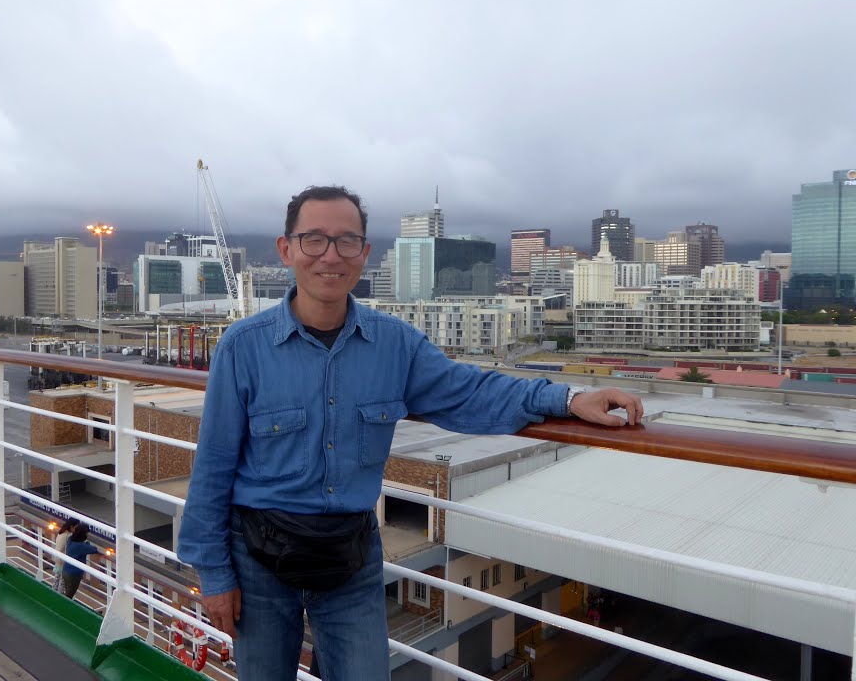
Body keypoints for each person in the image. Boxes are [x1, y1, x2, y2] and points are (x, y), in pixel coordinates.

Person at [177, 185, 644, 680]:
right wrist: (214, 573)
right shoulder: (242, 348)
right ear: (286, 249)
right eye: (314, 239)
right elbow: (213, 468)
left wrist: (569, 400)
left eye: (346, 241)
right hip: (258, 561)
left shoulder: (395, 345)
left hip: (349, 561)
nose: (330, 256)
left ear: (365, 253)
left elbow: (470, 392)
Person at [60, 522, 102, 599]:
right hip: (74, 574)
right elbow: (93, 549)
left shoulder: (70, 540)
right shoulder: (81, 546)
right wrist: (87, 543)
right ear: (83, 534)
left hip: (66, 570)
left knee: (67, 592)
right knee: (69, 595)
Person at [52, 516, 79, 592]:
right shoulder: (69, 536)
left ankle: (53, 594)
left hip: (58, 560)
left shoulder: (61, 533)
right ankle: (59, 598)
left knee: (56, 581)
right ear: (71, 526)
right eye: (76, 528)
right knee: (62, 584)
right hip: (64, 562)